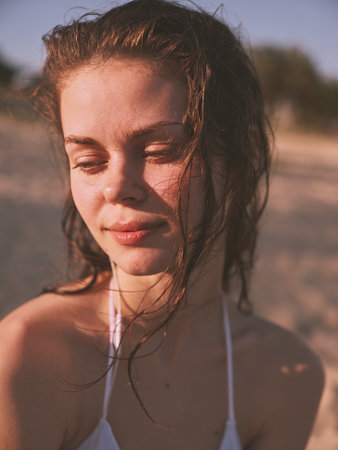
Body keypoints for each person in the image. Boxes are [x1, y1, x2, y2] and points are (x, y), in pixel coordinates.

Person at [0, 1, 324, 449]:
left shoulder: (285, 374)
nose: (117, 188)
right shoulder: (28, 357)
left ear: (246, 154)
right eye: (89, 161)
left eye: (158, 151)